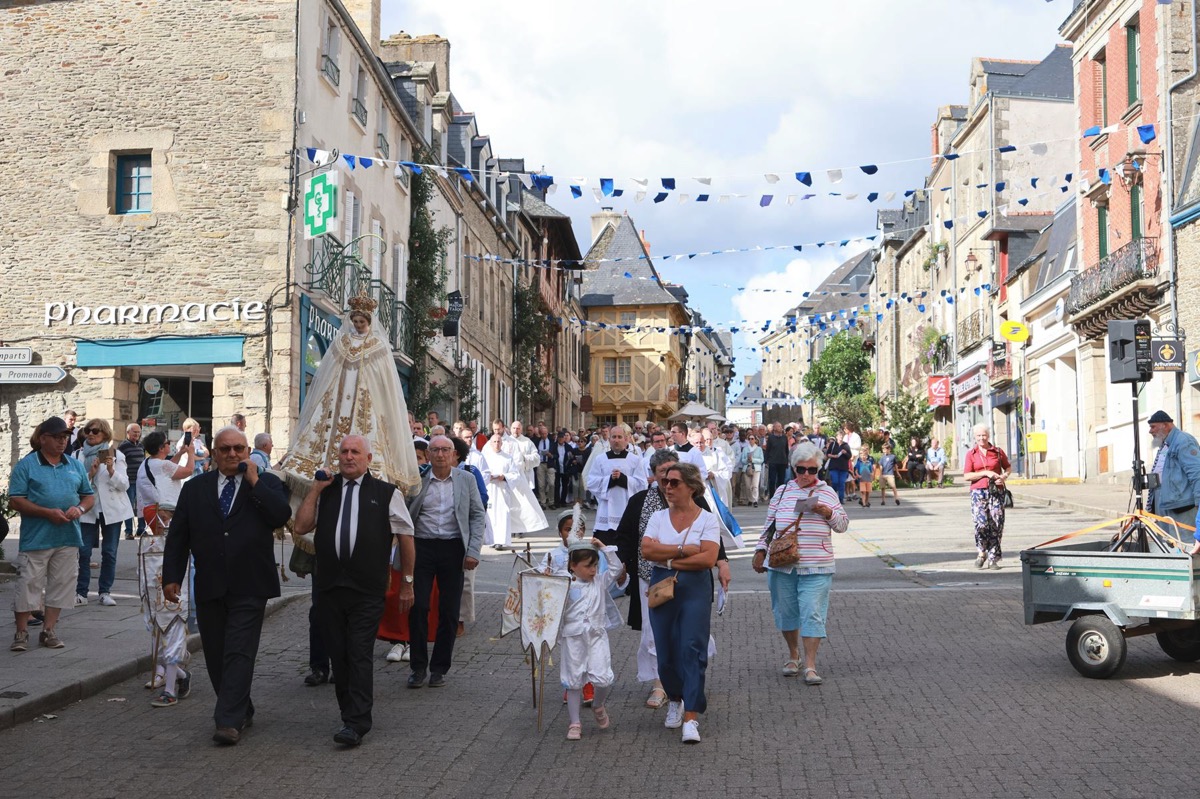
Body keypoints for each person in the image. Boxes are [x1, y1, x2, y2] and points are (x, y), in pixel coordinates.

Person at [162, 425, 292, 746]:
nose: (233, 454)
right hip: (210, 583)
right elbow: (178, 535)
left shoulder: (266, 483)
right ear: (214, 454)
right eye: (225, 449)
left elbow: (280, 515)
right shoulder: (196, 489)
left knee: (238, 650)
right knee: (217, 653)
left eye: (239, 448)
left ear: (248, 451)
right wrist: (172, 576)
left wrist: (255, 481)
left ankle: (228, 720)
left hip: (251, 583)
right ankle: (241, 707)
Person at [294, 435, 415, 747]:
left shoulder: (386, 493)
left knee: (359, 651)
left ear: (368, 459)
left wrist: (407, 582)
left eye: (355, 452)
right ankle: (349, 712)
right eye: (344, 452)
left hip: (367, 589)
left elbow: (406, 536)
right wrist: (315, 490)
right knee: (339, 653)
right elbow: (301, 527)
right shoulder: (327, 489)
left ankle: (357, 722)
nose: (348, 457)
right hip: (330, 587)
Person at [614, 450, 732, 711]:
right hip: (651, 579)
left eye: (673, 477)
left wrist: (721, 562)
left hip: (691, 580)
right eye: (663, 476)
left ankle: (688, 695)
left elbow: (711, 544)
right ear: (654, 475)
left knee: (691, 638)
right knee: (657, 636)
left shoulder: (698, 504)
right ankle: (661, 685)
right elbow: (632, 541)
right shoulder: (640, 502)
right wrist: (625, 564)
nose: (667, 482)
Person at [276, 295, 421, 498]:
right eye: (355, 321)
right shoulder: (342, 341)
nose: (358, 325)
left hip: (365, 399)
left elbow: (385, 381)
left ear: (369, 322)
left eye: (362, 322)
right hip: (339, 395)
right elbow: (328, 370)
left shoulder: (378, 345)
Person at [753, 442, 849, 685]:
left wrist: (827, 512)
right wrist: (760, 550)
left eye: (812, 470)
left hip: (817, 563)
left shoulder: (827, 492)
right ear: (793, 468)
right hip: (782, 563)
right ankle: (792, 654)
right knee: (786, 612)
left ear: (819, 469)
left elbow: (842, 525)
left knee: (812, 612)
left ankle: (810, 665)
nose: (806, 474)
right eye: (801, 469)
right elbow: (769, 525)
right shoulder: (782, 491)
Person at [640, 462, 720, 744]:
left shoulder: (707, 519)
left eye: (674, 482)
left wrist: (669, 560)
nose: (667, 487)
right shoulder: (658, 516)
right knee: (665, 650)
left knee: (692, 648)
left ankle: (691, 716)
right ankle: (675, 698)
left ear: (692, 487)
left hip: (695, 588)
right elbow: (647, 550)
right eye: (665, 482)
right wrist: (683, 550)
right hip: (662, 587)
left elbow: (708, 558)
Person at [404, 435, 486, 689]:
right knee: (419, 607)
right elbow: (403, 512)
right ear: (428, 454)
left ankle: (439, 668)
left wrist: (473, 551)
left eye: (445, 450)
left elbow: (477, 515)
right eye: (435, 450)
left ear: (453, 454)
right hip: (421, 548)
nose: (440, 455)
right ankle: (418, 667)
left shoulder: (466, 479)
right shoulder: (417, 479)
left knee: (450, 611)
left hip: (453, 548)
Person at [9, 417, 95, 652]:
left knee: (62, 584)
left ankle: (48, 630)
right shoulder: (27, 465)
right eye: (57, 437)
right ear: (42, 438)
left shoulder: (74, 465)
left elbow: (88, 496)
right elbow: (16, 500)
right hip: (36, 538)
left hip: (68, 536)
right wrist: (47, 513)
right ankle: (21, 632)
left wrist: (80, 509)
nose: (62, 441)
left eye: (65, 437)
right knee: (28, 584)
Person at [558, 540, 627, 741]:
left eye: (595, 565)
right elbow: (547, 596)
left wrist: (604, 548)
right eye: (588, 566)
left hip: (596, 636)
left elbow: (616, 569)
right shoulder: (564, 583)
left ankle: (598, 704)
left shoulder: (600, 581)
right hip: (573, 638)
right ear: (573, 565)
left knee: (602, 677)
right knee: (573, 681)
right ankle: (575, 722)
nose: (593, 570)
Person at [72, 419, 134, 606]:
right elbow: (72, 484)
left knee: (109, 552)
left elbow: (125, 485)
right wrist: (90, 474)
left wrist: (111, 470)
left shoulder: (117, 455)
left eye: (95, 431)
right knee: (83, 552)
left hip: (111, 509)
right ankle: (81, 592)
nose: (90, 434)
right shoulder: (77, 455)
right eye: (88, 430)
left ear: (105, 434)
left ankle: (105, 592)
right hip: (87, 509)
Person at [480, 432, 548, 550]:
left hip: (503, 490)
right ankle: (492, 540)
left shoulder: (508, 458)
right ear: (490, 443)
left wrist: (504, 477)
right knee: (491, 515)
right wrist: (488, 477)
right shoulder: (485, 458)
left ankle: (501, 541)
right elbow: (481, 472)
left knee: (503, 513)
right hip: (490, 489)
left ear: (502, 443)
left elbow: (515, 475)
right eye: (494, 442)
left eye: (499, 442)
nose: (497, 444)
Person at [587, 424, 646, 546]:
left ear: (626, 439)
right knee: (604, 548)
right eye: (613, 437)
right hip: (606, 510)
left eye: (620, 437)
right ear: (609, 440)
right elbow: (591, 482)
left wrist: (623, 479)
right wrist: (610, 479)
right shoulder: (600, 459)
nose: (616, 440)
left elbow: (642, 484)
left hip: (627, 507)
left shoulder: (634, 460)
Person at [962, 424, 1011, 570]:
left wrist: (1003, 477)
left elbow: (1008, 467)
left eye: (984, 435)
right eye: (978, 436)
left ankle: (993, 558)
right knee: (981, 524)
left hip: (996, 491)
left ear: (988, 436)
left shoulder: (997, 452)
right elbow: (967, 476)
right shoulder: (971, 454)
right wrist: (985, 473)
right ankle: (981, 552)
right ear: (974, 437)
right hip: (978, 492)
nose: (981, 438)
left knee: (996, 523)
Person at [136, 432, 193, 535]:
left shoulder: (147, 462)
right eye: (167, 442)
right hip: (163, 511)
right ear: (161, 448)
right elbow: (189, 471)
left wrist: (180, 453)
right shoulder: (163, 465)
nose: (169, 444)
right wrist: (191, 453)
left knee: (163, 541)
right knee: (171, 542)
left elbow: (169, 469)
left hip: (151, 510)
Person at [118, 423, 146, 540]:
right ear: (128, 432)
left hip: (140, 481)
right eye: (134, 432)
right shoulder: (123, 446)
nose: (137, 434)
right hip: (129, 481)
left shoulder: (141, 445)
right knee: (128, 506)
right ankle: (128, 531)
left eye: (138, 432)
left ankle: (141, 529)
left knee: (141, 506)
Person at [699, 428, 733, 510]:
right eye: (706, 439)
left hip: (718, 485)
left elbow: (727, 469)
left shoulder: (719, 452)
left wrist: (714, 474)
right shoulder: (697, 453)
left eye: (710, 439)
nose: (708, 442)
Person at [823, 432, 852, 503]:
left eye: (842, 435)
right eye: (839, 435)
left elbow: (849, 456)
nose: (841, 437)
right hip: (834, 466)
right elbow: (828, 454)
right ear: (837, 437)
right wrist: (834, 456)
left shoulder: (846, 445)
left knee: (842, 483)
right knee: (835, 482)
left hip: (843, 467)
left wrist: (845, 453)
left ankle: (841, 499)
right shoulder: (833, 444)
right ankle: (833, 495)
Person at [763, 422, 790, 498]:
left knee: (781, 481)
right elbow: (768, 450)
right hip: (773, 461)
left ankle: (780, 496)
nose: (780, 428)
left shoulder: (784, 437)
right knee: (772, 480)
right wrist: (766, 461)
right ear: (774, 428)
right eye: (778, 426)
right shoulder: (771, 438)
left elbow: (786, 450)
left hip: (782, 462)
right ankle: (772, 496)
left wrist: (787, 460)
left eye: (781, 426)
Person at [745, 434, 764, 508]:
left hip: (756, 468)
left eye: (752, 438)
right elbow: (742, 460)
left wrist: (753, 460)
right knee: (748, 486)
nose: (751, 440)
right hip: (747, 468)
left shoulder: (759, 449)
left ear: (755, 440)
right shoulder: (745, 449)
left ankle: (755, 500)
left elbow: (761, 460)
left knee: (755, 485)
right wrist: (747, 460)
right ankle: (750, 499)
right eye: (749, 439)